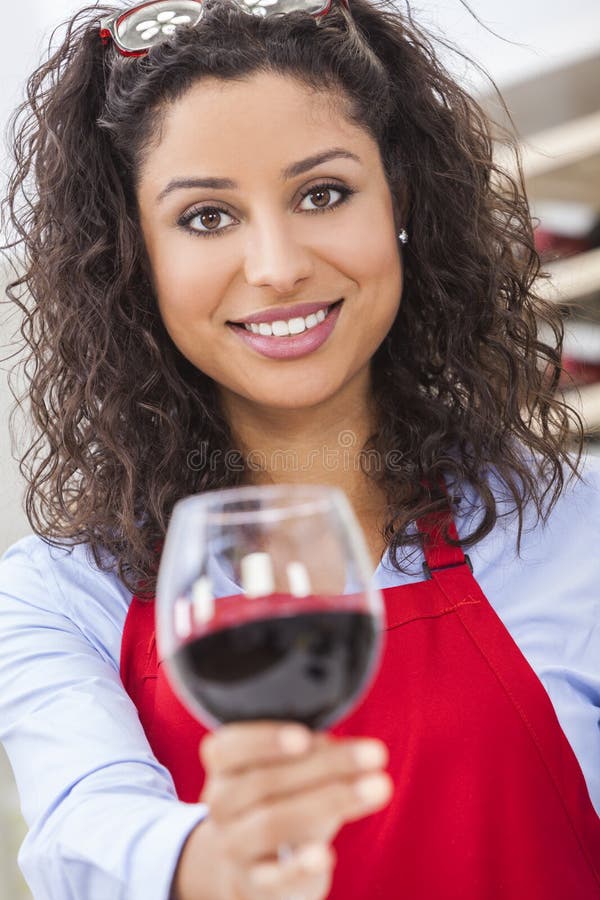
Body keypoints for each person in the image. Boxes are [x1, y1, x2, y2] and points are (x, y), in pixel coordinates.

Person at [0, 0, 599, 897]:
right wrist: (213, 860)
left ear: (401, 200)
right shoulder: (56, 595)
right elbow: (84, 831)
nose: (277, 265)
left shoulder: (577, 524)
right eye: (206, 217)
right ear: (132, 258)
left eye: (323, 194)